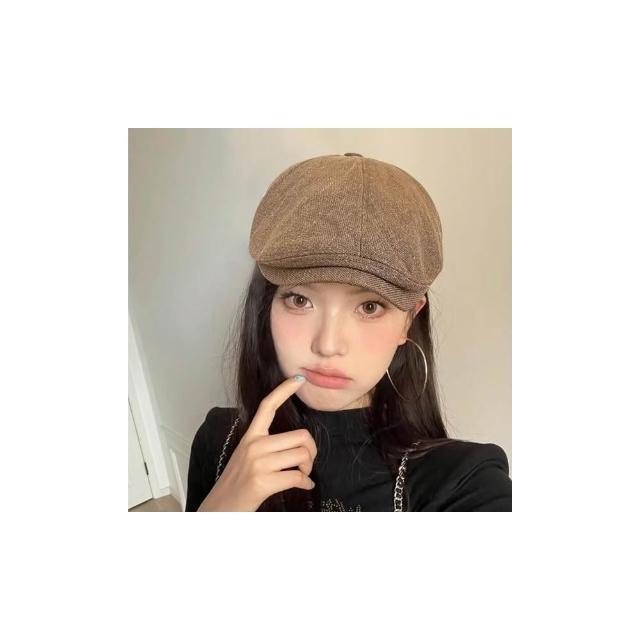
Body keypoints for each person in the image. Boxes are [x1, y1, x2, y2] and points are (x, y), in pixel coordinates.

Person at [186, 152, 511, 511]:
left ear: (409, 319)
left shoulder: (465, 482)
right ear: (266, 304)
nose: (327, 345)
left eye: (370, 307)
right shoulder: (219, 440)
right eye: (299, 299)